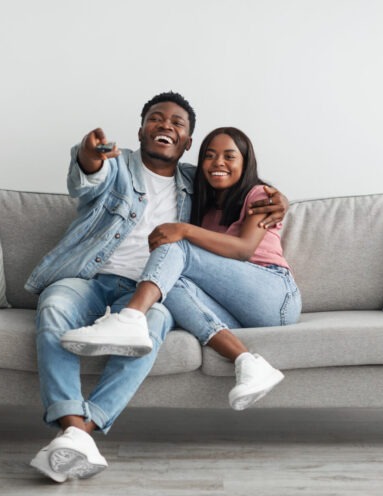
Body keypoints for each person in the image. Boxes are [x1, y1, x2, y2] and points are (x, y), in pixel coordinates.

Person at [25, 91, 288, 483]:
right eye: (156, 118)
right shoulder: (118, 167)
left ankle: (81, 430)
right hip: (90, 280)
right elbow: (87, 177)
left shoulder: (195, 184)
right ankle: (74, 429)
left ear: (186, 144)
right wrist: (88, 155)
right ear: (142, 130)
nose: (166, 125)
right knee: (54, 307)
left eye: (177, 123)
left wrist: (278, 198)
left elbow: (240, 189)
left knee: (152, 326)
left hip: (153, 291)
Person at [61, 126, 301, 411]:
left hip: (275, 297)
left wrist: (184, 230)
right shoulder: (204, 205)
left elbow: (244, 249)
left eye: (229, 156)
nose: (218, 163)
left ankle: (130, 318)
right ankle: (248, 361)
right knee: (169, 284)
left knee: (178, 245)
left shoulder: (259, 195)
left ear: (246, 163)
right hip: (236, 309)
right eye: (210, 156)